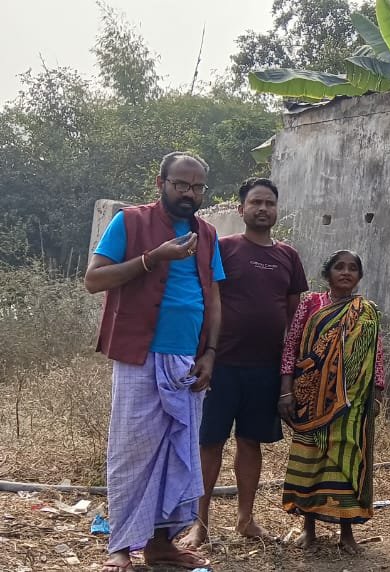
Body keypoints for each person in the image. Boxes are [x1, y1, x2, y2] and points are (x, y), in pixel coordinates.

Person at [84, 151, 225, 572]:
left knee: (177, 453)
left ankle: (161, 544)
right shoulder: (129, 222)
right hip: (139, 353)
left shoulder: (208, 234)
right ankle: (121, 547)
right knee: (133, 452)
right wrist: (153, 258)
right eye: (181, 184)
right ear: (160, 183)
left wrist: (211, 354)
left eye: (197, 186)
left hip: (189, 359)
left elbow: (214, 298)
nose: (189, 193)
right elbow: (94, 279)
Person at [179, 178, 308, 548]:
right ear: (242, 209)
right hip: (221, 364)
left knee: (251, 443)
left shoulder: (288, 256)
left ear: (276, 210)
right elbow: (206, 300)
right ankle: (198, 525)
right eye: (256, 203)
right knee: (210, 444)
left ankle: (245, 520)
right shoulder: (223, 248)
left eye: (269, 203)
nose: (263, 209)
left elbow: (293, 313)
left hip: (265, 367)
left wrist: (289, 370)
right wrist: (203, 352)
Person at [277, 250, 386, 554]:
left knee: (347, 463)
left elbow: (376, 353)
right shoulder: (310, 304)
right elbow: (291, 346)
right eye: (339, 267)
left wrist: (376, 391)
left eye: (353, 268)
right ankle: (308, 528)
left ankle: (346, 533)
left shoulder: (367, 310)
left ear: (359, 276)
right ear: (327, 274)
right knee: (311, 458)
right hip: (312, 398)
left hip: (353, 403)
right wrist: (286, 390)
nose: (346, 272)